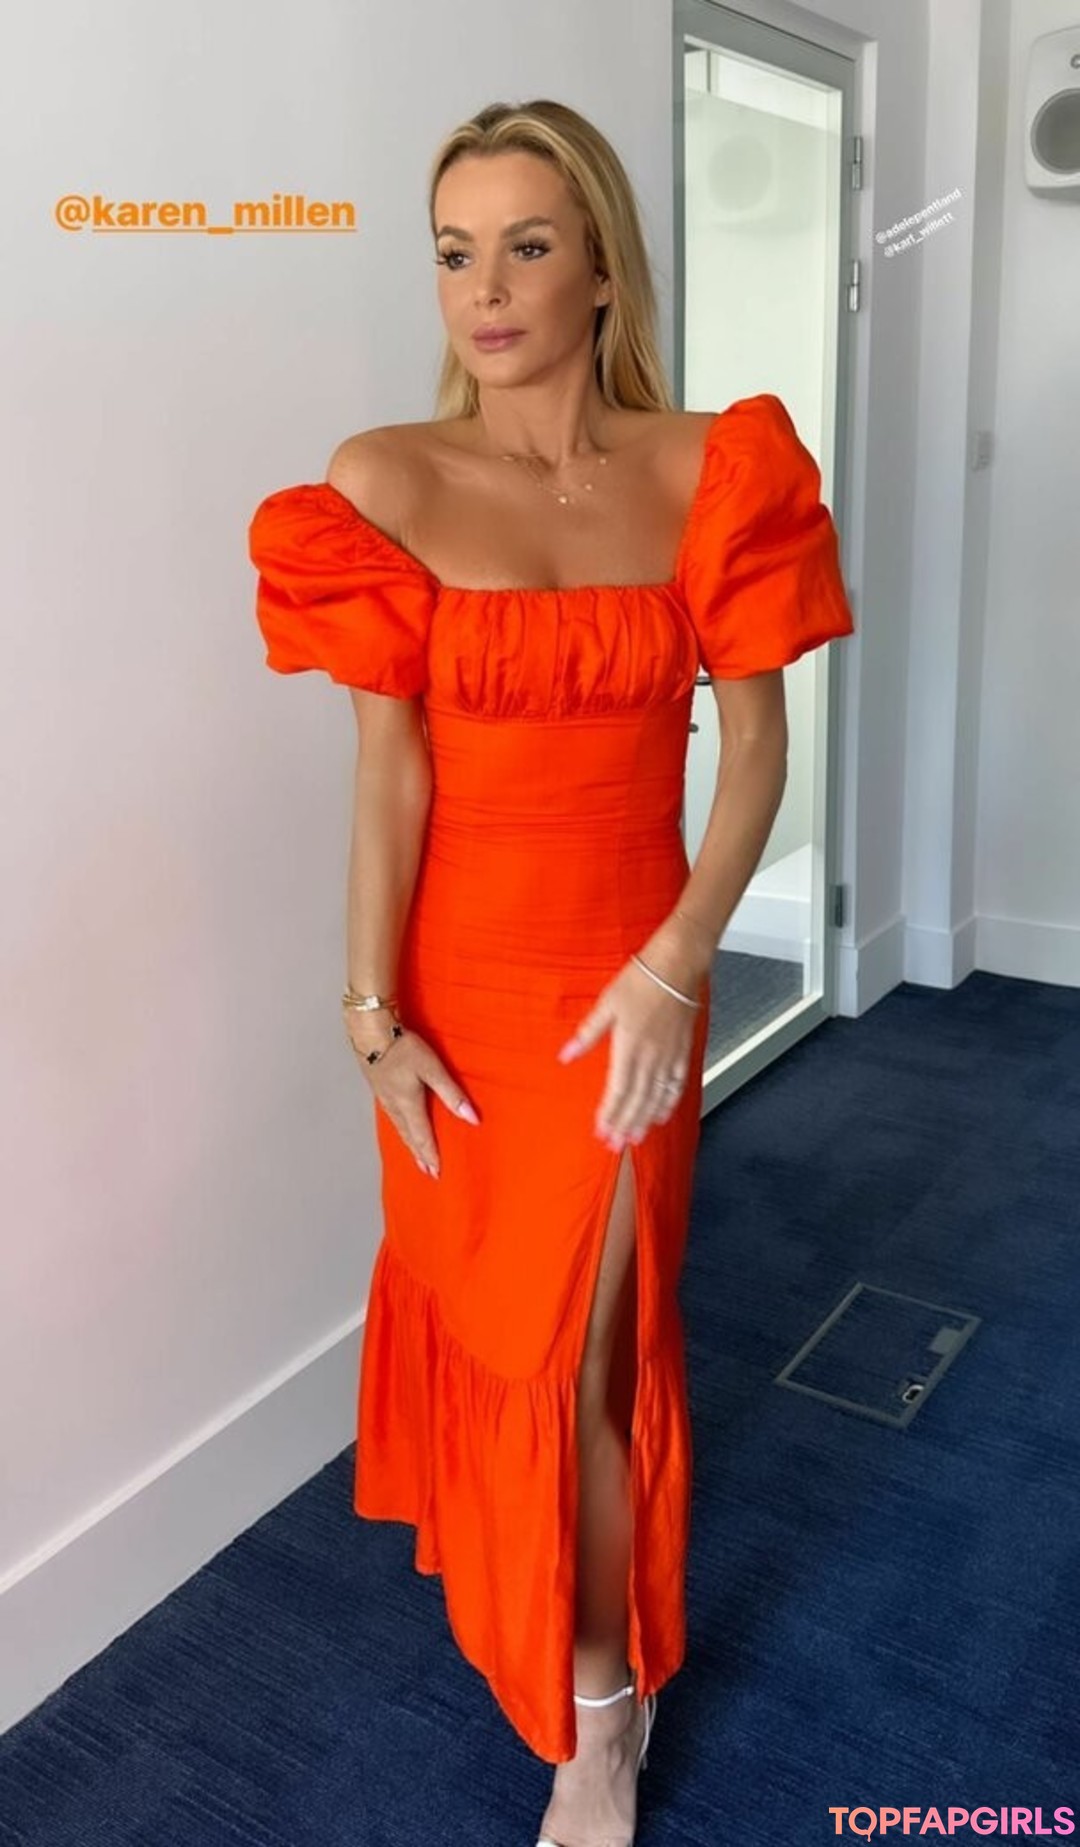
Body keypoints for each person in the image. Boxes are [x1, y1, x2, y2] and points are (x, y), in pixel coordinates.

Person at [248, 96, 854, 1847]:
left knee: (592, 1355)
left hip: (630, 974)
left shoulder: (712, 466)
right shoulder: (385, 480)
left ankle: (598, 1721)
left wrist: (677, 964)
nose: (487, 289)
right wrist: (368, 1015)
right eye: (457, 253)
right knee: (501, 1331)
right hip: (458, 989)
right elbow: (390, 776)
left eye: (527, 245)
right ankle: (577, 1652)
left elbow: (757, 752)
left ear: (601, 266)